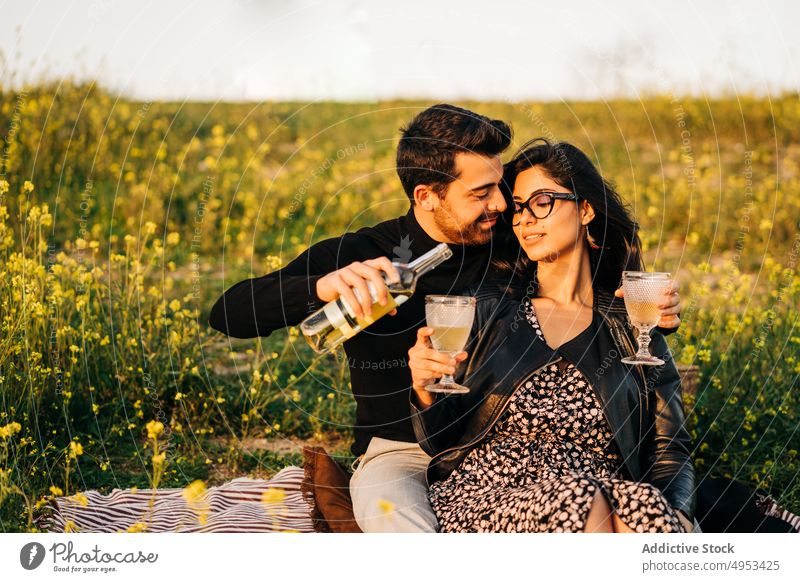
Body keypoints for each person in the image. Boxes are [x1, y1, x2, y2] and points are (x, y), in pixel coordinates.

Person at [208, 106, 682, 532]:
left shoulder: (506, 239)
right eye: (481, 192)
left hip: (492, 446)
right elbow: (229, 313)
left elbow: (577, 259)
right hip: (403, 451)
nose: (500, 205)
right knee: (407, 534)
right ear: (427, 196)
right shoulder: (361, 254)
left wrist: (649, 304)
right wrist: (321, 286)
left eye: (500, 186)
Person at [408, 138, 696, 532]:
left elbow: (669, 447)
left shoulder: (633, 323)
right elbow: (443, 440)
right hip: (491, 491)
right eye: (519, 208)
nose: (525, 219)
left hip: (605, 491)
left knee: (645, 503)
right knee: (585, 497)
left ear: (585, 209)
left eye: (541, 202)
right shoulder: (489, 311)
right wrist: (425, 388)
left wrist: (678, 513)